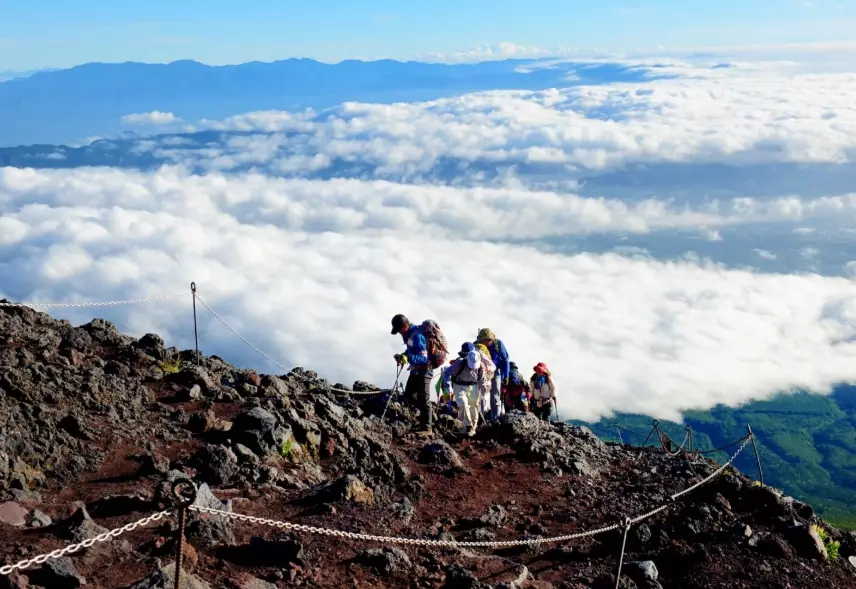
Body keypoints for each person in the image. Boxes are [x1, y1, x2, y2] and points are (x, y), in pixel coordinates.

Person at [391, 314, 434, 436]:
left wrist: (408, 357)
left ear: (405, 325)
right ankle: (416, 420)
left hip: (425, 371)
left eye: (400, 330)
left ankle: (427, 428)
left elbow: (424, 358)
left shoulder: (417, 335)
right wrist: (403, 355)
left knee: (424, 399)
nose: (399, 333)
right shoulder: (410, 335)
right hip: (416, 371)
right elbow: (411, 350)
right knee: (408, 395)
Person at [442, 342, 484, 437]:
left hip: (473, 387)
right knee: (463, 404)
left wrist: (483, 390)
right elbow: (447, 373)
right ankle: (468, 426)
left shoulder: (480, 365)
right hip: (459, 386)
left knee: (474, 408)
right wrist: (448, 386)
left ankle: (472, 429)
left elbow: (481, 379)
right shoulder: (459, 362)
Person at [475, 328, 511, 422]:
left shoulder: (498, 344)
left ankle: (495, 418)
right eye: (485, 340)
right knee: (480, 394)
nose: (487, 342)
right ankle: (480, 417)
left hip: (496, 372)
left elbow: (505, 359)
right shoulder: (477, 345)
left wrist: (506, 375)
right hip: (482, 371)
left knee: (495, 395)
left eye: (489, 340)